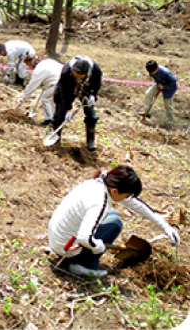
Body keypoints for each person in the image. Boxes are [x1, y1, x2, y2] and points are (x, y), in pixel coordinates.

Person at [48, 165, 180, 278]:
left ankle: (81, 259)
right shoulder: (99, 202)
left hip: (57, 236)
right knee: (115, 224)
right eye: (127, 194)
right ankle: (83, 265)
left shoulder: (100, 183)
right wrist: (98, 246)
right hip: (67, 247)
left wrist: (164, 226)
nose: (128, 198)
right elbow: (84, 237)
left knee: (111, 215)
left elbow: (135, 204)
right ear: (116, 191)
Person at [52, 55, 102, 151]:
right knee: (59, 115)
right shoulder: (66, 70)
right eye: (75, 76)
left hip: (86, 89)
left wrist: (93, 95)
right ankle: (55, 139)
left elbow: (97, 84)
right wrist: (68, 108)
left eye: (80, 77)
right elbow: (63, 91)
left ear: (86, 73)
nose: (77, 78)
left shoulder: (95, 70)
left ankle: (90, 141)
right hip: (68, 90)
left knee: (91, 115)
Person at [18, 56, 63, 126]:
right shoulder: (47, 61)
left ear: (30, 64)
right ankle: (57, 119)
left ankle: (49, 120)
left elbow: (31, 86)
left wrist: (23, 99)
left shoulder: (38, 71)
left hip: (57, 84)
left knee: (45, 98)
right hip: (65, 81)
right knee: (53, 100)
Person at [139, 60, 178, 127]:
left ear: (157, 68)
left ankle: (170, 121)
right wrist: (158, 84)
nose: (151, 74)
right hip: (160, 84)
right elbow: (156, 79)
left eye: (153, 72)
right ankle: (146, 112)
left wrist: (164, 87)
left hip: (169, 87)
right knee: (148, 93)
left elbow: (174, 83)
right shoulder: (151, 71)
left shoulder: (166, 73)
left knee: (168, 105)